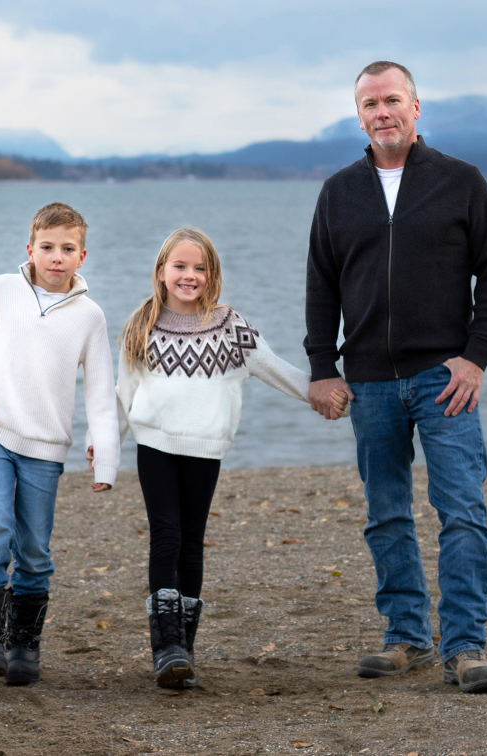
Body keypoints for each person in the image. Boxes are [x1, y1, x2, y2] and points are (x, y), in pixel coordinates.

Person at [304, 61, 487, 693]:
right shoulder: (339, 191)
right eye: (369, 104)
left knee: (462, 510)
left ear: (417, 108)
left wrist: (476, 356)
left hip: (442, 379)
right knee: (386, 514)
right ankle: (407, 637)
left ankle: (466, 645)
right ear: (359, 115)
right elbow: (321, 285)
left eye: (392, 100)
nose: (381, 112)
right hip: (368, 382)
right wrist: (321, 367)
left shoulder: (461, 182)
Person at [115, 227, 345, 688]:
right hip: (154, 445)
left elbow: (276, 369)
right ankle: (167, 648)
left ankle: (184, 648)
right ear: (161, 272)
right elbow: (124, 393)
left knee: (192, 542)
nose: (189, 275)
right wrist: (104, 447)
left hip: (205, 448)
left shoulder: (230, 327)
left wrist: (324, 393)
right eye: (180, 266)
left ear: (212, 276)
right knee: (166, 537)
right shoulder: (141, 326)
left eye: (199, 268)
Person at [0, 202, 119, 686]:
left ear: (82, 256)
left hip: (46, 447)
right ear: (30, 249)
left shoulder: (90, 317)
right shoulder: (3, 291)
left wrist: (105, 458)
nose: (56, 257)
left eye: (67, 249)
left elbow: (101, 395)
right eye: (47, 247)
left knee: (34, 550)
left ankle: (23, 645)